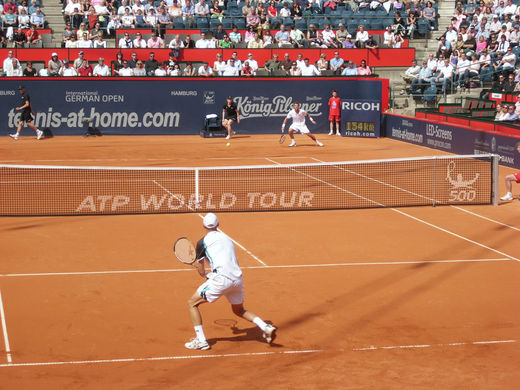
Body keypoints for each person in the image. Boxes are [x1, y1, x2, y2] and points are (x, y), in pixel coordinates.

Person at [185, 213, 276, 350]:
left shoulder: (201, 243)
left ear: (203, 225)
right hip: (237, 280)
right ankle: (265, 326)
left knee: (192, 303)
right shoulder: (228, 239)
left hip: (221, 280)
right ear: (218, 225)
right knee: (239, 310)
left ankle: (201, 340)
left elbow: (202, 271)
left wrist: (203, 272)